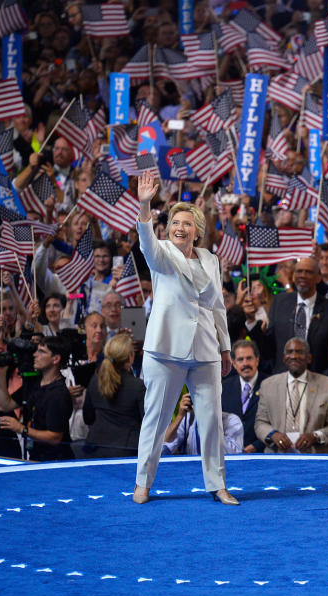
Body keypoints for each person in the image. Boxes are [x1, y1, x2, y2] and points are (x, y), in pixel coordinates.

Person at [133, 174, 236, 506]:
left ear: (198, 230)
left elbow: (218, 307)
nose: (180, 228)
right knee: (156, 419)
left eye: (187, 224)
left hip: (205, 347)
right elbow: (146, 241)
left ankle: (218, 485)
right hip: (165, 349)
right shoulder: (160, 252)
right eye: (175, 222)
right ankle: (143, 484)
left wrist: (225, 347)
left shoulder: (210, 259)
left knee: (211, 422)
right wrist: (145, 203)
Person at [253, 337, 328, 454]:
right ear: (284, 358)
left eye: (299, 352)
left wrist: (315, 436)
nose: (294, 356)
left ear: (309, 358)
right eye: (289, 352)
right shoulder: (268, 385)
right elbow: (260, 422)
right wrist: (273, 435)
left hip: (315, 456)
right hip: (277, 455)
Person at [0, 337, 74, 462]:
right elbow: (4, 405)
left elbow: (55, 437)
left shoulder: (58, 394)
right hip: (36, 457)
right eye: (36, 350)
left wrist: (21, 429)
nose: (34, 355)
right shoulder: (34, 384)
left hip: (55, 461)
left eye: (42, 352)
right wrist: (1, 374)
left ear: (56, 359)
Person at [82, 333, 145, 458]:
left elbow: (88, 418)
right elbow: (147, 423)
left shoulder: (95, 380)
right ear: (130, 357)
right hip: (126, 452)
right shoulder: (137, 386)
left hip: (94, 449)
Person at [221, 340, 264, 453]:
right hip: (230, 455)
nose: (245, 364)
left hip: (261, 454)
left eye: (249, 358)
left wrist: (257, 446)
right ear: (234, 364)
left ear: (257, 360)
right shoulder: (223, 388)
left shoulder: (270, 385)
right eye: (240, 360)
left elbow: (276, 423)